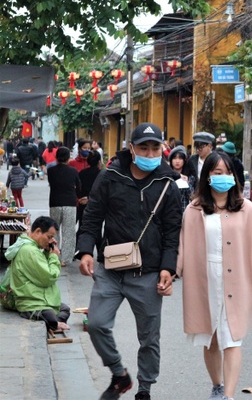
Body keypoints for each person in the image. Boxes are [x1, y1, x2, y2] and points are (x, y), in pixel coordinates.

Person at [76, 123, 182, 400]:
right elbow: (92, 217)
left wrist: (168, 268)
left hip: (147, 274)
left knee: (149, 337)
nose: (150, 152)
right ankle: (119, 374)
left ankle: (144, 389)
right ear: (131, 148)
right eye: (143, 147)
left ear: (163, 149)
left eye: (155, 147)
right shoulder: (109, 176)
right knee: (96, 323)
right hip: (111, 269)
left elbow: (173, 232)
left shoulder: (168, 184)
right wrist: (86, 250)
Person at [178, 151, 252, 400]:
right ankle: (217, 385)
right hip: (204, 280)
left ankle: (228, 396)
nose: (223, 177)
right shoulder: (194, 210)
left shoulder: (247, 209)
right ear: (207, 176)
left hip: (238, 279)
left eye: (228, 172)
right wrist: (171, 274)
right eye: (217, 172)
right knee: (211, 338)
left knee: (232, 338)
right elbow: (183, 247)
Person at [8, 216, 70, 331]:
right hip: (32, 302)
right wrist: (53, 256)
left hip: (40, 298)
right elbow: (49, 277)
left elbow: (41, 268)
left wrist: (47, 252)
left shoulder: (33, 248)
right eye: (49, 237)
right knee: (50, 315)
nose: (51, 241)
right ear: (38, 232)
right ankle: (54, 323)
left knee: (64, 309)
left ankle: (54, 323)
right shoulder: (30, 250)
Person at [47, 147, 81, 267]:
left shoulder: (51, 171)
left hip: (55, 202)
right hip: (70, 203)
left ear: (56, 157)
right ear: (68, 158)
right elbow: (79, 186)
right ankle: (65, 259)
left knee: (54, 230)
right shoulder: (73, 171)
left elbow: (51, 184)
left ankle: (54, 255)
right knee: (69, 231)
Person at [77, 151, 102, 231]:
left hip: (83, 203)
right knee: (97, 230)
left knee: (82, 227)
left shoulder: (82, 173)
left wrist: (81, 197)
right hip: (97, 205)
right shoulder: (101, 174)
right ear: (99, 162)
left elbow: (78, 187)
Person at [169, 145, 197, 212]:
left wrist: (187, 183)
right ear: (171, 160)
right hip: (169, 212)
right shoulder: (167, 176)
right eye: (175, 158)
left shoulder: (190, 176)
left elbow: (192, 196)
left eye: (180, 158)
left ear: (184, 160)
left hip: (184, 211)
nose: (177, 161)